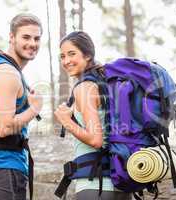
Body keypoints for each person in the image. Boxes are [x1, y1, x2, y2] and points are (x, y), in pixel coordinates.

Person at [0, 13, 43, 200]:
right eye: (26, 37)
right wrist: (34, 109)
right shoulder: (7, 72)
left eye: (37, 38)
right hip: (0, 167)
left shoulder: (7, 69)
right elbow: (3, 127)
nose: (32, 43)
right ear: (12, 37)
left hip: (0, 167)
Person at [54, 31, 132, 200]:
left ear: (88, 55)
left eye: (72, 54)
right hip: (121, 184)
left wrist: (66, 121)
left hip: (95, 186)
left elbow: (96, 140)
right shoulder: (106, 84)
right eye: (62, 56)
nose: (66, 61)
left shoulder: (84, 87)